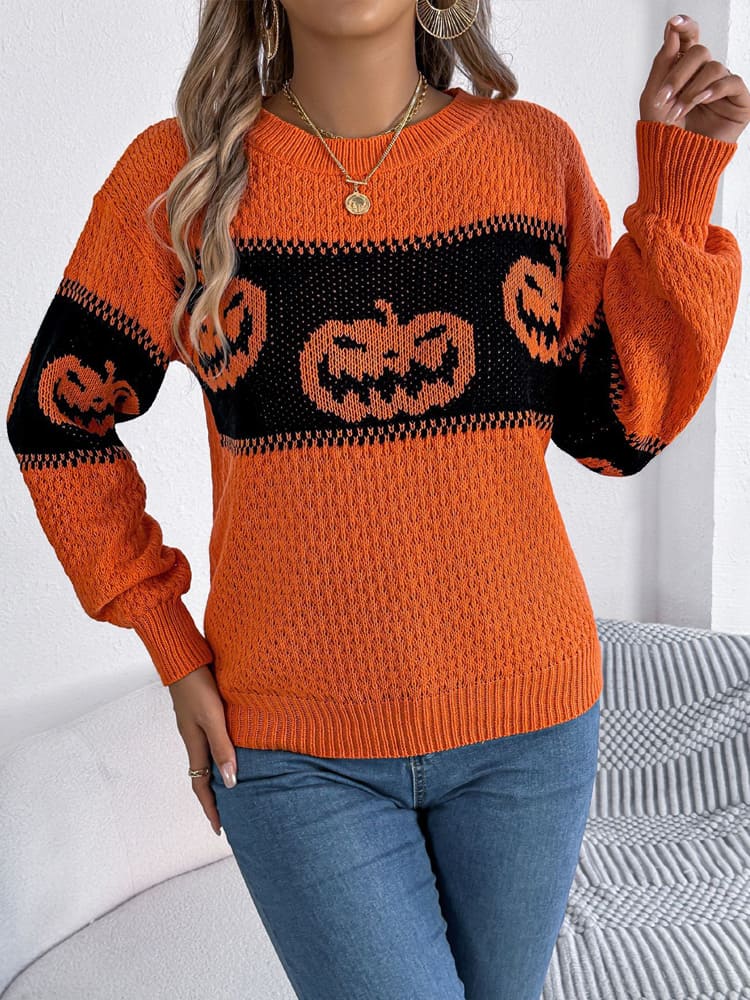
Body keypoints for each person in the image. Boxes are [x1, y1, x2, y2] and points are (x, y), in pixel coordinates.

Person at [6, 2, 748, 997]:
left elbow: (616, 430)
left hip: (530, 732)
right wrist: (172, 648)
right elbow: (55, 420)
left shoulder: (531, 156)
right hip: (293, 756)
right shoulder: (177, 179)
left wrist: (678, 191)